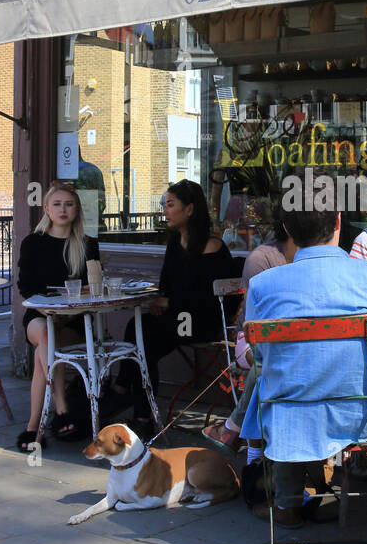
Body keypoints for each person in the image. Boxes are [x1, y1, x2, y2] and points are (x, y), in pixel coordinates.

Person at [241, 204, 367, 527]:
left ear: (289, 231)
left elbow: (261, 358)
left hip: (287, 417)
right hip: (361, 419)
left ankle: (287, 506)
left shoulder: (263, 286)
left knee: (283, 392)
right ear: (339, 222)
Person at [114, 179, 235, 439]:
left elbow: (207, 300)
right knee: (139, 331)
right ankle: (138, 409)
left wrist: (168, 303)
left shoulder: (212, 247)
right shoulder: (174, 244)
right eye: (164, 205)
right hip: (177, 319)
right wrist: (161, 302)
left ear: (189, 209)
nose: (165, 211)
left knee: (143, 338)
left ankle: (129, 400)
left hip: (202, 322)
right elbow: (167, 286)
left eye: (170, 205)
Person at [16, 181, 101, 451]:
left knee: (48, 346)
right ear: (47, 209)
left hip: (72, 319)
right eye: (57, 204)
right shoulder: (33, 243)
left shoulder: (87, 245)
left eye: (69, 204)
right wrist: (46, 310)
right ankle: (61, 408)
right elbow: (26, 287)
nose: (63, 209)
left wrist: (88, 289)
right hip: (40, 315)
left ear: (76, 210)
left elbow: (95, 287)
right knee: (44, 334)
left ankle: (34, 427)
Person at [201, 222, 297, 454]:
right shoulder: (264, 257)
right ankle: (249, 451)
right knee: (269, 356)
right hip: (255, 338)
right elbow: (259, 322)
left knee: (275, 357)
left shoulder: (319, 260)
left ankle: (233, 427)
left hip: (293, 341)